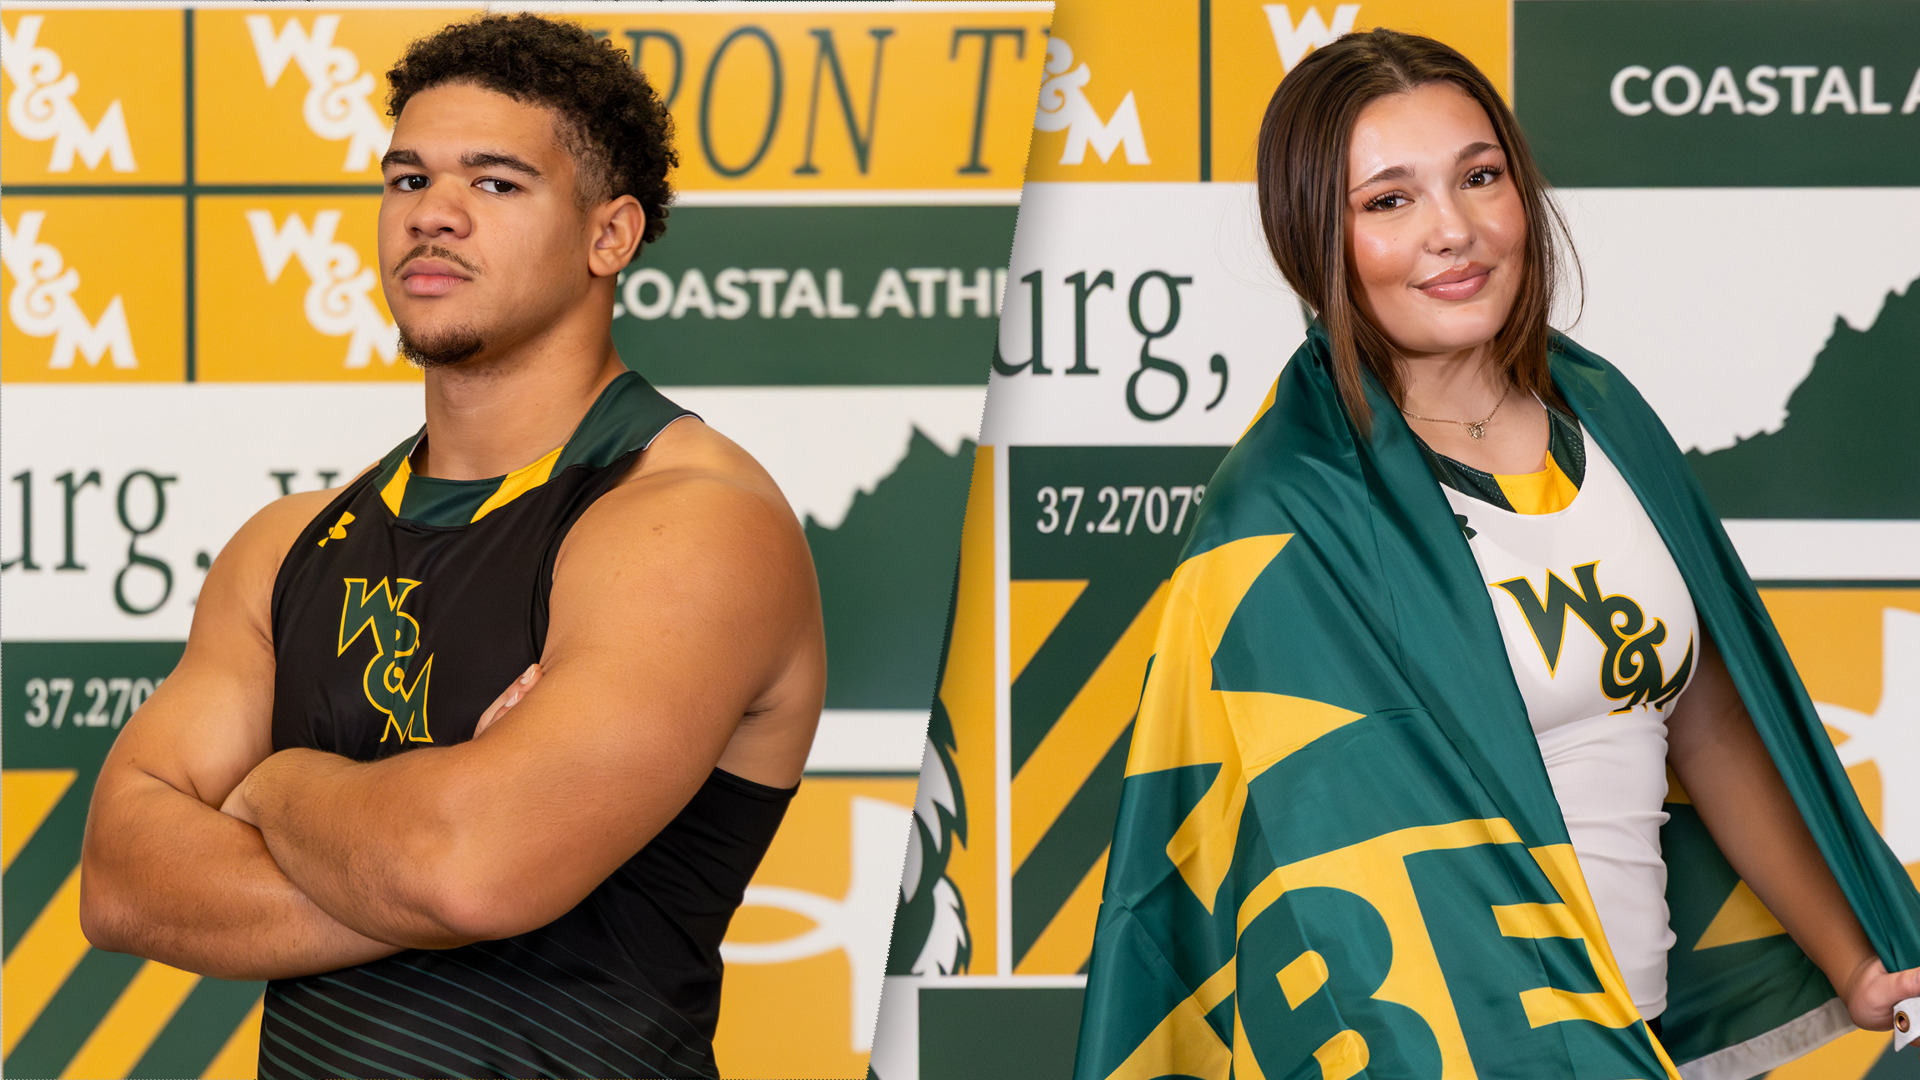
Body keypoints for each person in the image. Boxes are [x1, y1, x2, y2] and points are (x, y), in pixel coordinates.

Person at [1073, 28, 1920, 1080]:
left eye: (1480, 178)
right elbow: (1301, 839)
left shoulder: (1604, 416)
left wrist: (1855, 961)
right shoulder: (1288, 502)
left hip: (1634, 1041)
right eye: (1390, 200)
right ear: (1314, 236)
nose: (1455, 231)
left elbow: (1708, 727)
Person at [78, 15, 825, 1080]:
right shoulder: (289, 544)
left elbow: (469, 872)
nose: (432, 212)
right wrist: (421, 842)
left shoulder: (688, 523)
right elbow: (120, 882)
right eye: (407, 179)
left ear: (609, 236)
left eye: (495, 182)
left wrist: (279, 786)